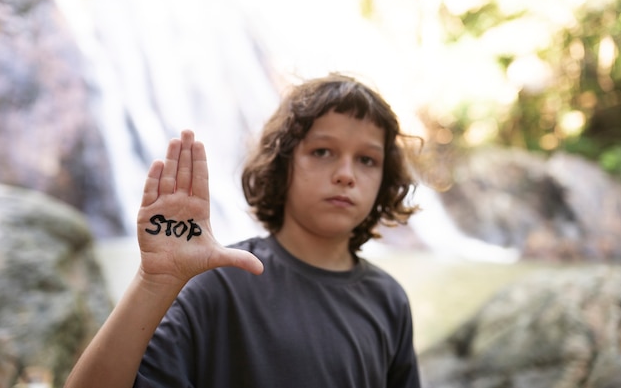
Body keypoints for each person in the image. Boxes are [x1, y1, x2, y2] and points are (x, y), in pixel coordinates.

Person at [64, 73, 423, 388]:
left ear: (384, 179)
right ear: (282, 164)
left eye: (367, 160)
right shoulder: (216, 283)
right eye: (323, 151)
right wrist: (153, 281)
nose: (346, 174)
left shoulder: (388, 301)